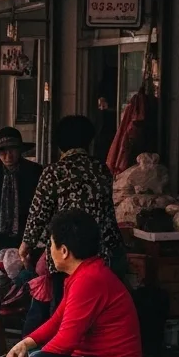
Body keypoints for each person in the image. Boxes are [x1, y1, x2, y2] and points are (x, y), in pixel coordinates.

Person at [6, 209, 141, 357]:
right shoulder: (81, 275)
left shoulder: (90, 279)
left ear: (64, 251)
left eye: (51, 245)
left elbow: (66, 341)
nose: (49, 250)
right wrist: (26, 344)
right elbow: (57, 320)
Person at [21, 115, 124, 270]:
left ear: (60, 143)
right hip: (99, 254)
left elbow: (38, 213)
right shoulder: (101, 169)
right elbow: (109, 213)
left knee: (66, 293)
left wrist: (26, 244)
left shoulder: (54, 172)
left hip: (65, 255)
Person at [0, 127, 42, 250]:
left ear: (20, 150)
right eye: (3, 152)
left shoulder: (35, 171)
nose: (8, 156)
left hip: (28, 232)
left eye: (12, 150)